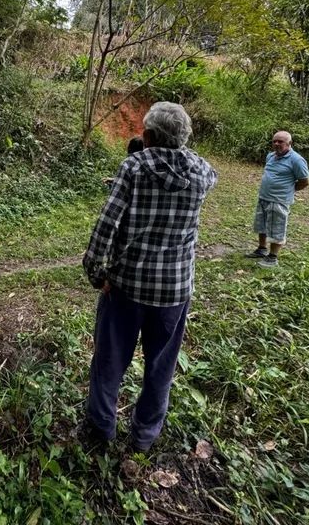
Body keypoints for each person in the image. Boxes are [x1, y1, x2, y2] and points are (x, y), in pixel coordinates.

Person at [82, 102, 217, 452]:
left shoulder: (134, 167)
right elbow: (197, 165)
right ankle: (143, 437)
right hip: (175, 290)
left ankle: (101, 429)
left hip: (127, 286)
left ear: (148, 135)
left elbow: (106, 224)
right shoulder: (203, 172)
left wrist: (97, 272)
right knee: (161, 369)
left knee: (110, 361)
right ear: (184, 138)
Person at [245, 131, 309, 268]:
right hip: (264, 197)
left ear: (289, 143)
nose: (276, 144)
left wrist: (289, 190)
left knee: (277, 228)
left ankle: (272, 257)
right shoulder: (270, 156)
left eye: (280, 141)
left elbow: (304, 181)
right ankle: (262, 249)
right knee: (261, 225)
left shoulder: (296, 160)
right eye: (274, 141)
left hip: (279, 200)